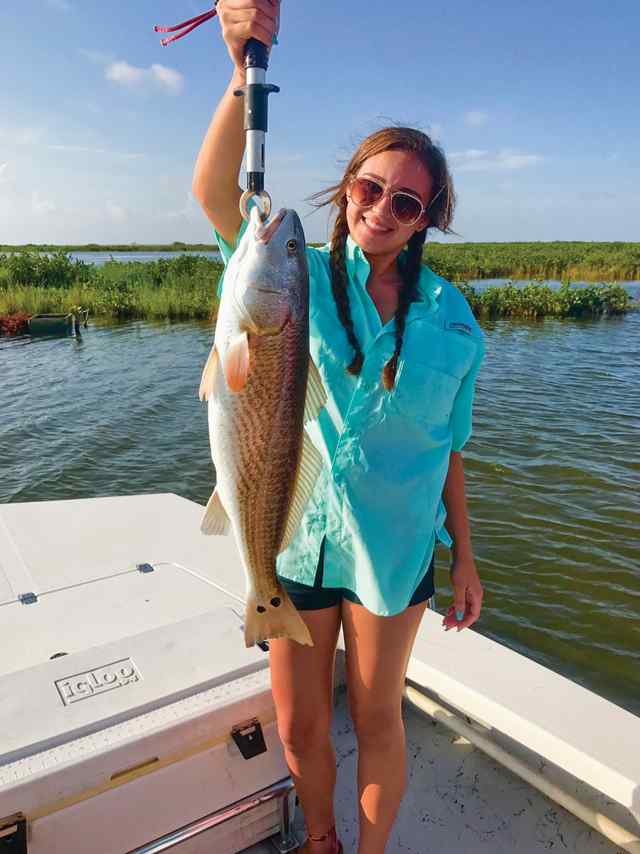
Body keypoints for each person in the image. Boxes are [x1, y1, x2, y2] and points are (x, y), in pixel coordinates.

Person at [192, 3, 485, 852]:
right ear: (345, 187)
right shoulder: (293, 275)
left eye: (406, 201)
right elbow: (214, 193)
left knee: (378, 717)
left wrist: (464, 555)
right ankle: (319, 840)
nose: (382, 210)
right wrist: (239, 62)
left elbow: (450, 448)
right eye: (369, 188)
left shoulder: (454, 319)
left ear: (426, 218)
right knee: (298, 727)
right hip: (292, 540)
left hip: (392, 553)